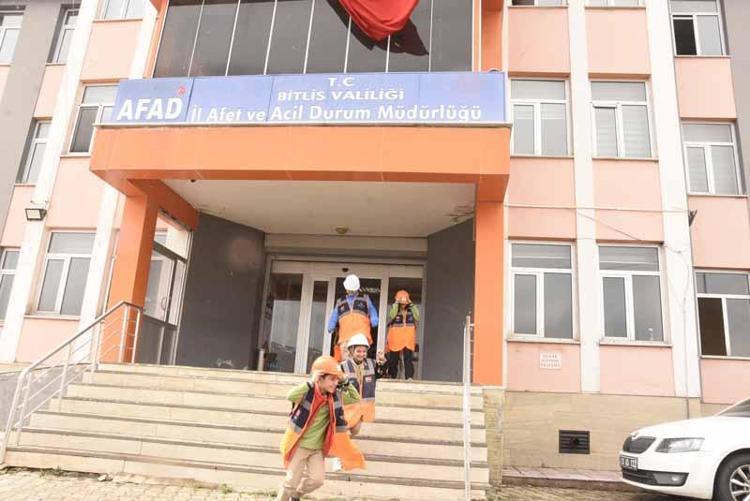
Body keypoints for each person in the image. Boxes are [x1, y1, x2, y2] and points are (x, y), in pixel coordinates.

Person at [276, 355, 365, 501]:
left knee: (317, 480)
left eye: (337, 380)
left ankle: (296, 496)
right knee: (290, 483)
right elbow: (290, 395)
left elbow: (355, 398)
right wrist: (311, 382)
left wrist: (345, 381)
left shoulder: (336, 396)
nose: (335, 383)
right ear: (320, 378)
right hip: (300, 445)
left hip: (317, 449)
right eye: (332, 379)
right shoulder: (308, 392)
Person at [340, 333, 387, 436]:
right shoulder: (343, 366)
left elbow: (381, 373)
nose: (361, 354)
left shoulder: (371, 364)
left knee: (355, 431)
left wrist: (382, 360)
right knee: (347, 431)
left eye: (364, 351)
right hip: (349, 407)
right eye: (358, 351)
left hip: (364, 408)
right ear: (351, 351)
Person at [326, 274, 379, 362]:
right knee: (346, 362)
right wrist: (331, 324)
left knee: (359, 358)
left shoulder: (365, 298)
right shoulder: (340, 302)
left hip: (361, 335)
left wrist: (374, 318)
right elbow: (335, 315)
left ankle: (359, 370)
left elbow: (371, 309)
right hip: (345, 337)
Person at [386, 290, 419, 380]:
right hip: (395, 340)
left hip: (408, 340)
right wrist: (396, 304)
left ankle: (409, 378)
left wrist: (412, 304)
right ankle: (392, 377)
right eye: (402, 303)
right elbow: (392, 315)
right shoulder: (394, 310)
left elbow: (417, 317)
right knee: (393, 360)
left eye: (405, 303)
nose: (403, 305)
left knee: (408, 359)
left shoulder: (411, 311)